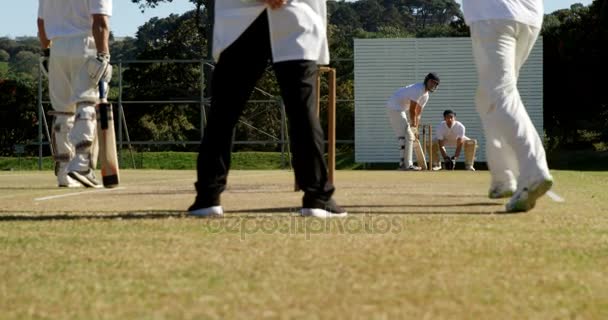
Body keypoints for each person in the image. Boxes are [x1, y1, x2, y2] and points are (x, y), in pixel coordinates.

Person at [188, 0, 346, 218]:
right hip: (295, 15)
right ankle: (318, 197)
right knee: (302, 113)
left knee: (223, 114)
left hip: (240, 19)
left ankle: (207, 198)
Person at [463, 0, 553, 212]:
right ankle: (504, 178)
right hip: (529, 15)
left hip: (492, 13)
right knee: (488, 97)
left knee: (500, 94)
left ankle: (533, 172)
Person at [37, 0, 112, 188]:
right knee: (86, 101)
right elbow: (100, 22)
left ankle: (64, 171)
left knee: (63, 111)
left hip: (57, 49)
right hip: (85, 44)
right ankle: (82, 164)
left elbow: (41, 23)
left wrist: (47, 52)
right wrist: (104, 55)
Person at [386, 73, 440, 171]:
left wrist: (416, 129)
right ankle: (408, 165)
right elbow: (412, 110)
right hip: (395, 107)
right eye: (432, 82)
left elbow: (418, 113)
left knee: (404, 137)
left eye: (435, 83)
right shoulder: (418, 89)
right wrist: (413, 126)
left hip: (398, 108)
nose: (433, 85)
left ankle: (402, 164)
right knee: (409, 136)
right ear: (427, 80)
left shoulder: (426, 96)